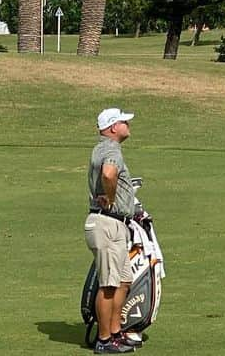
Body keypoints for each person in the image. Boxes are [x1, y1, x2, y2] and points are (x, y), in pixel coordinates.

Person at [85, 107, 142, 354]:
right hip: (107, 222)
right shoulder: (111, 149)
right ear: (112, 128)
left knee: (123, 281)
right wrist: (110, 197)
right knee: (109, 285)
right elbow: (109, 174)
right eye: (123, 122)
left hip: (113, 222)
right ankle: (105, 339)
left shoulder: (104, 148)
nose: (128, 125)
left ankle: (115, 331)